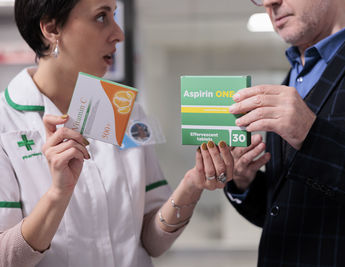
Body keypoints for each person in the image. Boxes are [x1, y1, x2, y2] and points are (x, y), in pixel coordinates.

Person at [0, 0, 233, 266]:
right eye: (101, 17)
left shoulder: (121, 109)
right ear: (52, 28)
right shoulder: (5, 123)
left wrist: (191, 185)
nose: (119, 34)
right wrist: (57, 195)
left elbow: (152, 242)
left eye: (114, 15)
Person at [224, 0, 345, 266]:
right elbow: (288, 208)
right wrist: (244, 182)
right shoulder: (294, 75)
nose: (270, 3)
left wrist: (311, 134)